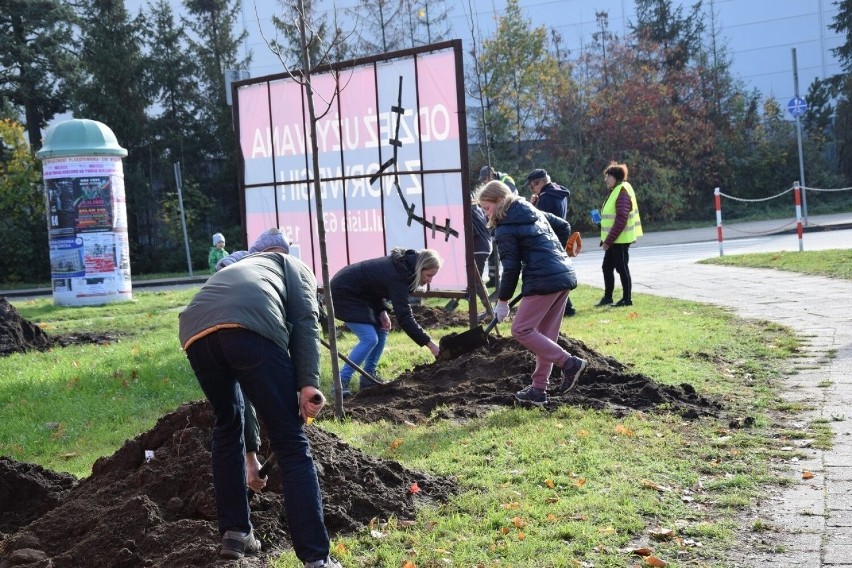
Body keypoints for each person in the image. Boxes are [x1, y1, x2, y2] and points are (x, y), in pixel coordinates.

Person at [178, 252, 341, 567]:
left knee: (226, 425)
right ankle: (316, 558)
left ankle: (235, 534)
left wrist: (251, 457)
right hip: (250, 327)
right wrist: (308, 383)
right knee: (290, 442)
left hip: (196, 334)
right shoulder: (298, 268)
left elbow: (245, 396)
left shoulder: (246, 268)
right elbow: (307, 321)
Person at [475, 180, 587, 407]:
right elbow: (564, 226)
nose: (485, 213)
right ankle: (538, 390)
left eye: (486, 208)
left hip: (543, 280)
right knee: (545, 336)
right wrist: (559, 253)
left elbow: (511, 269)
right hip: (563, 276)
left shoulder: (505, 227)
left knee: (521, 329)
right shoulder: (533, 210)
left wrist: (503, 301)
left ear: (498, 201)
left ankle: (569, 363)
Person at [329, 248, 442, 397]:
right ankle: (340, 381)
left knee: (382, 329)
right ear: (421, 268)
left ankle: (368, 376)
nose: (429, 280)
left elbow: (373, 286)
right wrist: (430, 344)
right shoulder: (400, 275)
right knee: (369, 338)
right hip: (344, 291)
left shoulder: (403, 268)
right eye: (429, 275)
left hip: (362, 293)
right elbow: (405, 317)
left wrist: (381, 311)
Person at [526, 168, 576, 317]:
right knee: (556, 273)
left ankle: (567, 308)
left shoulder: (546, 197)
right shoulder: (559, 193)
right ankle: (565, 308)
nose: (532, 189)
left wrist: (533, 205)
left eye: (532, 186)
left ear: (541, 182)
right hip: (558, 236)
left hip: (549, 239)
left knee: (551, 275)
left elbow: (537, 220)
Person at [596, 162, 643, 308]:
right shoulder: (616, 190)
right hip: (614, 239)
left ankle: (627, 299)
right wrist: (599, 223)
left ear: (615, 177)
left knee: (622, 268)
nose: (605, 180)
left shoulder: (621, 192)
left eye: (608, 177)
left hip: (620, 240)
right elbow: (612, 218)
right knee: (607, 267)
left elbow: (621, 219)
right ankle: (608, 297)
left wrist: (608, 241)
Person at [444, 198, 492, 313]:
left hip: (477, 249)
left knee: (475, 281)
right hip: (484, 247)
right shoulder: (477, 209)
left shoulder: (467, 211)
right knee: (471, 279)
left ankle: (490, 310)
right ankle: (455, 301)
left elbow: (472, 232)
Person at [478, 165, 517, 297]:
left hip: (507, 217)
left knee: (500, 253)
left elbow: (508, 198)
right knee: (493, 253)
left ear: (491, 174)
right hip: (498, 218)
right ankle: (494, 279)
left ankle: (498, 282)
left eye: (485, 179)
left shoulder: (506, 180)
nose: (484, 182)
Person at [216, 227, 290, 271]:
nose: (276, 259)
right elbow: (224, 262)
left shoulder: (282, 269)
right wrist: (238, 270)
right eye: (272, 255)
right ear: (261, 250)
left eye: (281, 256)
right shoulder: (246, 256)